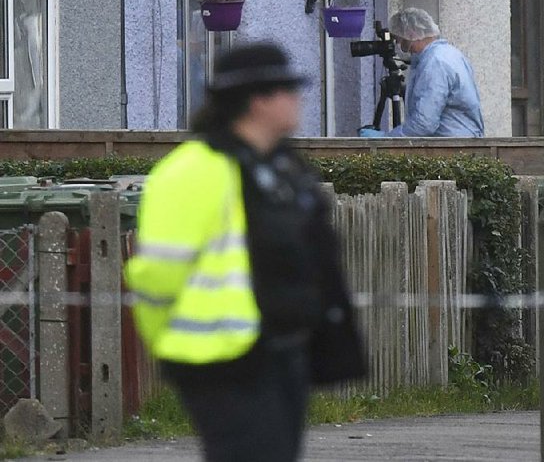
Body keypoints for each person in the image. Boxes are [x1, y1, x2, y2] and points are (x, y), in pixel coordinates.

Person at [124, 43, 365, 462]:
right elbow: (157, 278)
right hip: (222, 360)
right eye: (288, 90)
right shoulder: (193, 171)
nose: (298, 100)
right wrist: (170, 346)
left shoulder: (279, 167)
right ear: (258, 101)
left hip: (283, 351)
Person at [359, 7, 484, 138]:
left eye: (399, 40)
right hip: (462, 143)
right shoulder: (450, 54)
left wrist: (387, 138)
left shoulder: (435, 63)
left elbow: (424, 124)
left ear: (411, 34)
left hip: (451, 147)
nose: (399, 46)